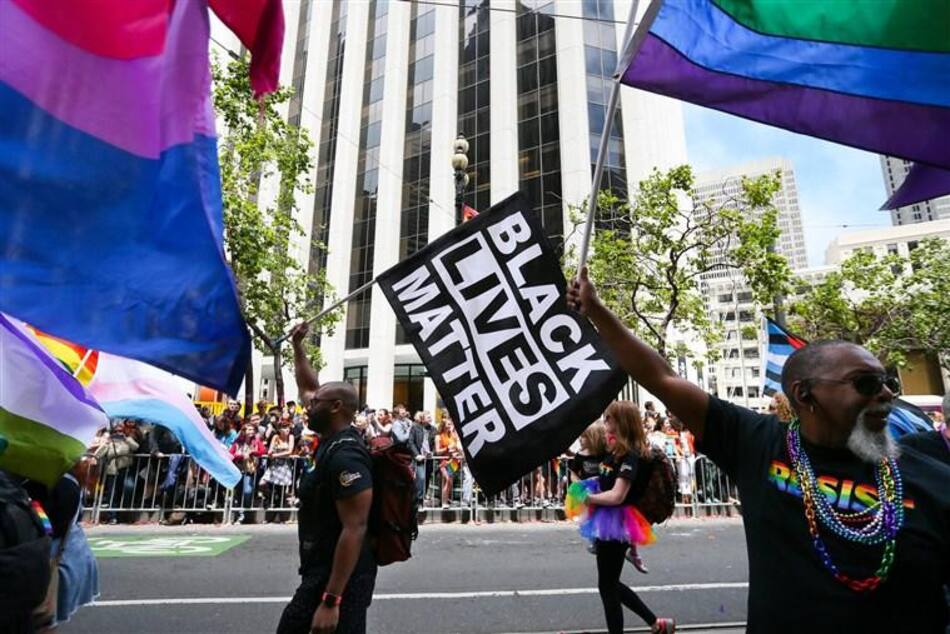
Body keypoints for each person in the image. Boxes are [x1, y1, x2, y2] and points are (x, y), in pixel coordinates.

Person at [568, 266, 950, 632]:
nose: (885, 394)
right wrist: (596, 310)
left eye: (886, 382)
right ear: (804, 394)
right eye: (865, 383)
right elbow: (662, 377)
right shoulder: (756, 443)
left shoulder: (932, 477)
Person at [277, 322, 376, 634]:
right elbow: (308, 386)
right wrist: (297, 346)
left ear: (336, 407)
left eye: (315, 403)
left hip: (339, 579)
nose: (307, 405)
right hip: (321, 570)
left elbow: (355, 528)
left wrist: (331, 600)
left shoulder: (346, 454)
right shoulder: (331, 439)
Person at [568, 401, 674, 634]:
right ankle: (656, 624)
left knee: (607, 585)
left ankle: (653, 624)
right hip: (608, 521)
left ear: (622, 422)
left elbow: (618, 496)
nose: (606, 424)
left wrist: (588, 499)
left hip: (618, 523)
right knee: (609, 583)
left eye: (609, 419)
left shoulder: (632, 456)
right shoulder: (615, 452)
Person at [229, 422, 265, 524]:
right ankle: (240, 514)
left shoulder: (256, 442)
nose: (251, 432)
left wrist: (252, 452)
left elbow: (262, 451)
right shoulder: (237, 442)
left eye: (253, 430)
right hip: (238, 469)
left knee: (248, 491)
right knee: (238, 492)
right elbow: (231, 454)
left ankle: (246, 511)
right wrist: (241, 456)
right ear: (244, 431)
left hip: (250, 469)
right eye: (249, 429)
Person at [435, 416, 463, 509]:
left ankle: (446, 499)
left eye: (451, 424)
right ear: (444, 425)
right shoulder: (438, 436)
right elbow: (437, 451)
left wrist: (456, 451)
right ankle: (443, 502)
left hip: (453, 461)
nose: (450, 426)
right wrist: (447, 448)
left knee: (450, 481)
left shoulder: (453, 436)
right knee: (446, 480)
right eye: (448, 424)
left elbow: (457, 447)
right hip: (443, 461)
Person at [408, 410, 434, 507]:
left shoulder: (433, 429)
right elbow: (410, 443)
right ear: (422, 419)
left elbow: (435, 443)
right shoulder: (415, 428)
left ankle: (422, 499)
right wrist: (416, 454)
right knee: (421, 477)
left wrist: (432, 452)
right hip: (419, 458)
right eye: (428, 417)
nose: (430, 418)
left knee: (426, 478)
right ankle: (418, 500)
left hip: (429, 458)